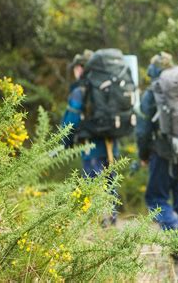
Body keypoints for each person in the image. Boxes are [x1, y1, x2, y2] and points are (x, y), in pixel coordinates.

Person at [135, 52, 178, 254]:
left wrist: (143, 155)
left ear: (153, 71)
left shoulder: (154, 91)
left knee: (155, 198)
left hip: (162, 153)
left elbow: (143, 130)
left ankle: (177, 231)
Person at [61, 49, 120, 225]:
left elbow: (70, 120)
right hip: (111, 144)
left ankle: (95, 225)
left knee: (91, 185)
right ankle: (111, 222)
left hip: (90, 146)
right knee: (110, 183)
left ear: (80, 68)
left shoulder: (81, 89)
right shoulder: (108, 86)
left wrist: (65, 142)